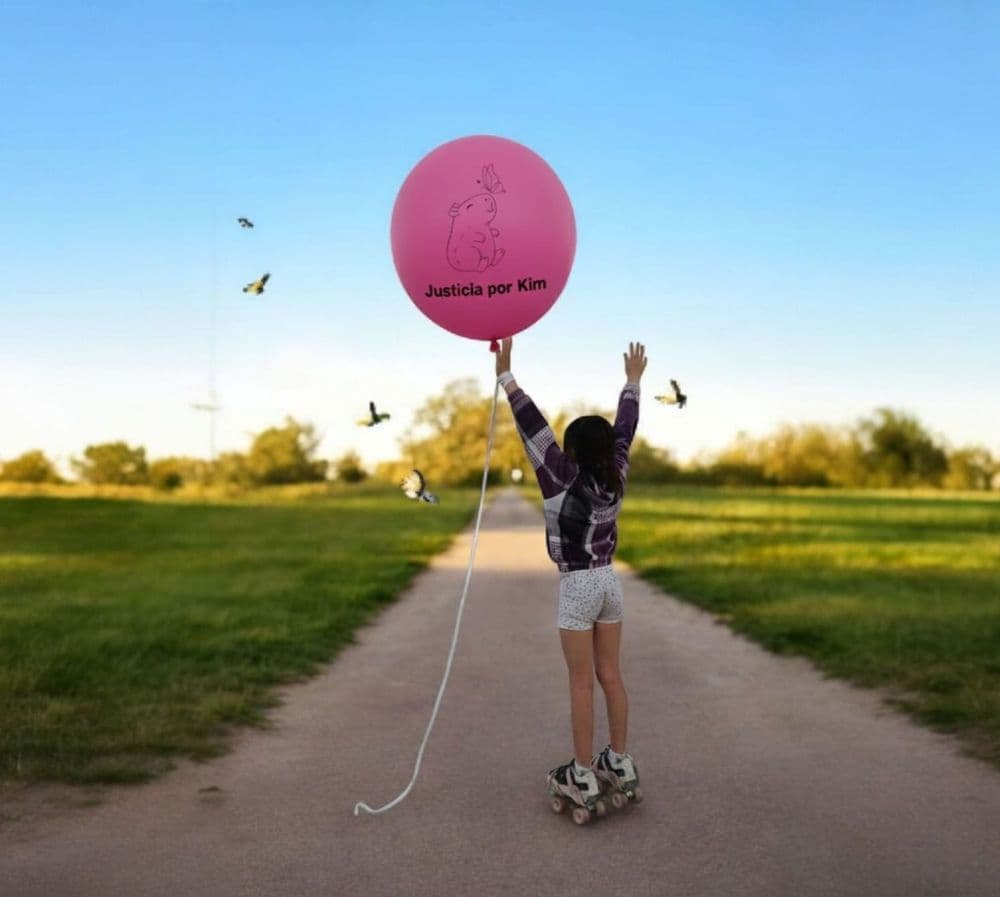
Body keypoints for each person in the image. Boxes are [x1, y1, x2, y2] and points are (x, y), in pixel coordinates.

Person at [495, 337, 646, 814]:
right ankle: (618, 762)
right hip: (609, 583)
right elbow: (626, 429)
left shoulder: (559, 473)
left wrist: (506, 376)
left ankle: (581, 774)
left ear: (573, 447)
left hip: (578, 586)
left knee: (581, 682)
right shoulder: (615, 473)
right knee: (611, 675)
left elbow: (533, 426)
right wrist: (632, 382)